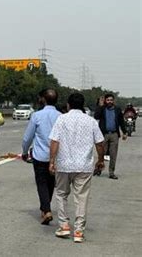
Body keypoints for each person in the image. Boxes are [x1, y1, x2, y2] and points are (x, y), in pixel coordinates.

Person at [49, 93, 105, 243]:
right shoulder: (91, 121)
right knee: (81, 197)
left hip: (63, 164)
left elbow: (55, 141)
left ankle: (64, 226)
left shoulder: (61, 119)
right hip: (84, 166)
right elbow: (100, 143)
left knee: (61, 194)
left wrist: (51, 161)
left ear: (68, 105)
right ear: (82, 104)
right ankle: (79, 231)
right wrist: (100, 160)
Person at [22, 88, 61, 225]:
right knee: (51, 183)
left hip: (40, 156)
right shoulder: (60, 116)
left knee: (41, 183)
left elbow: (28, 137)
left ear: (43, 99)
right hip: (56, 156)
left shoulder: (37, 116)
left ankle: (46, 209)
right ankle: (45, 209)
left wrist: (24, 151)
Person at [93, 94, 127, 179]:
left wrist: (124, 132)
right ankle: (99, 168)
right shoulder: (103, 109)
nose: (109, 102)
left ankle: (111, 172)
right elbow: (96, 116)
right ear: (105, 101)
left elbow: (121, 121)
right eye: (108, 100)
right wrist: (100, 106)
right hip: (104, 134)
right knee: (101, 153)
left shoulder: (117, 109)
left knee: (113, 154)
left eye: (111, 100)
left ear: (113, 101)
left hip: (114, 134)